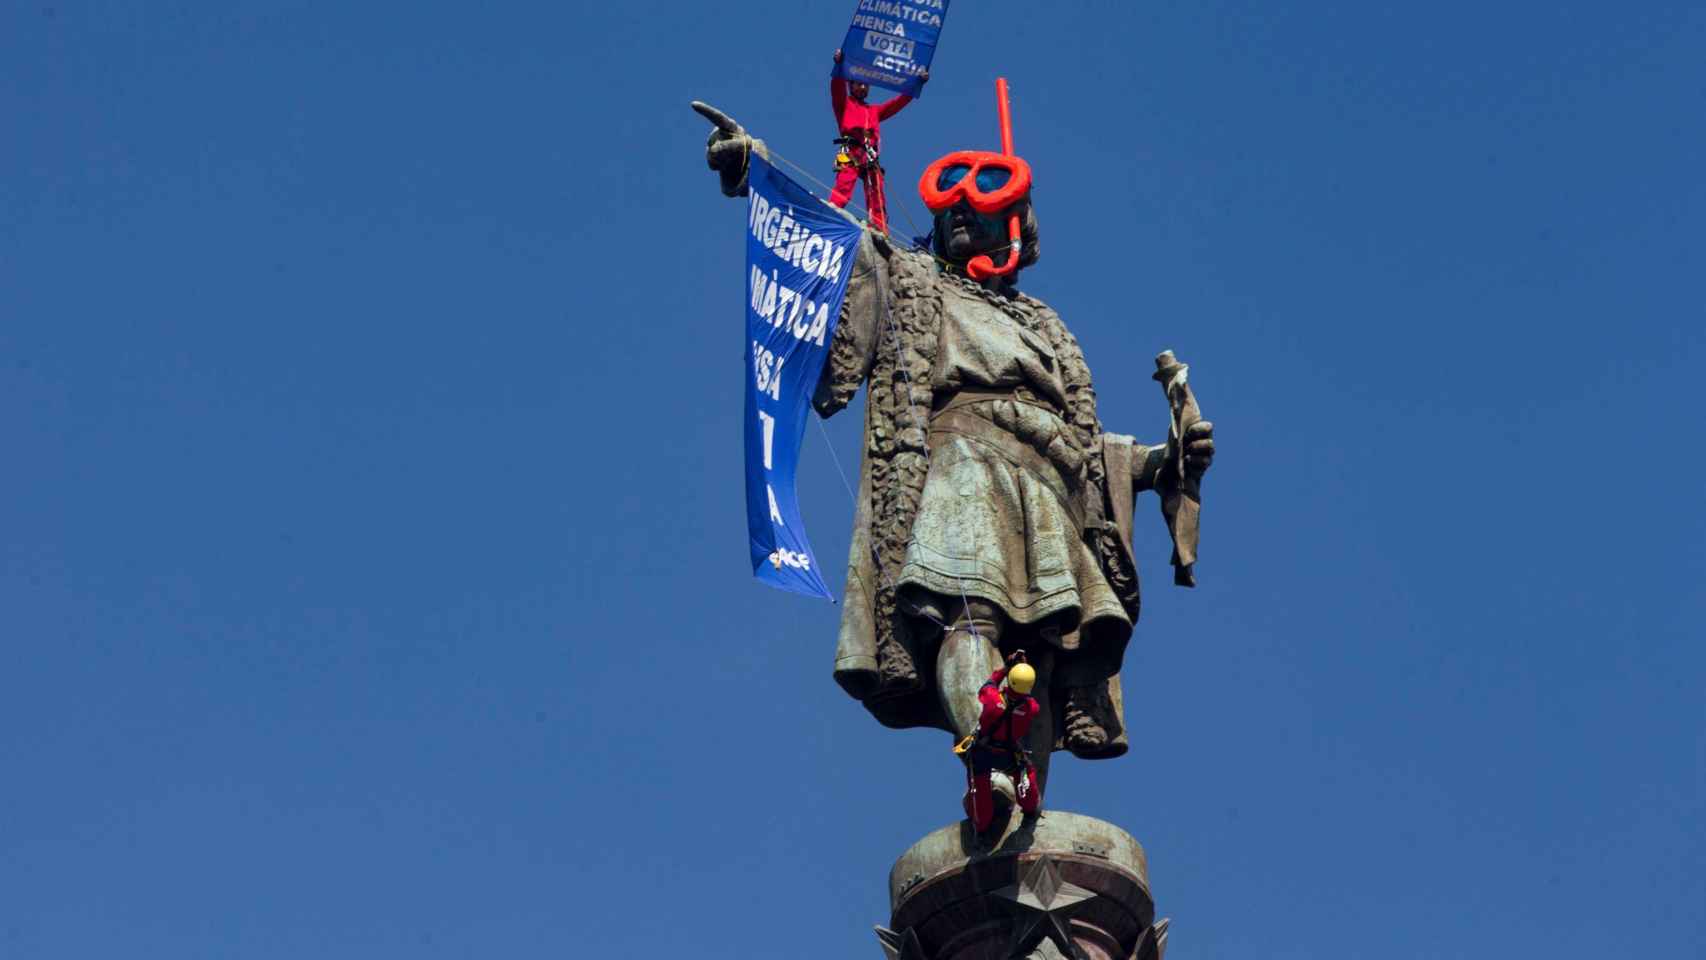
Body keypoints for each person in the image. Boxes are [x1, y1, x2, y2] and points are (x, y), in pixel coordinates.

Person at [692, 100, 1215, 823]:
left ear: (1017, 227)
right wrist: (753, 174)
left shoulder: (1047, 328)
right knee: (967, 619)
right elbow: (826, 256)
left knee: (1041, 652)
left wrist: (1164, 462)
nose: (962, 216)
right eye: (950, 209)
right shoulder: (911, 281)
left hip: (1049, 489)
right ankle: (989, 750)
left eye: (981, 206)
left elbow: (1089, 450)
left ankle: (1017, 799)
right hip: (961, 465)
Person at [828, 49, 927, 231]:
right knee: (845, 182)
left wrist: (917, 83)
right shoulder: (844, 105)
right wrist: (839, 66)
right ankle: (831, 212)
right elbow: (836, 89)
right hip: (851, 150)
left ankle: (880, 228)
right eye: (859, 84)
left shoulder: (874, 111)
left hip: (870, 156)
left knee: (877, 192)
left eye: (866, 85)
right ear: (851, 85)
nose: (864, 88)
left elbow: (896, 104)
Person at [962, 651, 1042, 831]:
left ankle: (981, 827)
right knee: (1026, 777)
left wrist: (1007, 668)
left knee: (980, 791)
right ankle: (1030, 811)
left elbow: (989, 684)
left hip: (982, 752)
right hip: (1008, 754)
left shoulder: (991, 699)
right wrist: (1024, 674)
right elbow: (1030, 700)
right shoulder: (1030, 708)